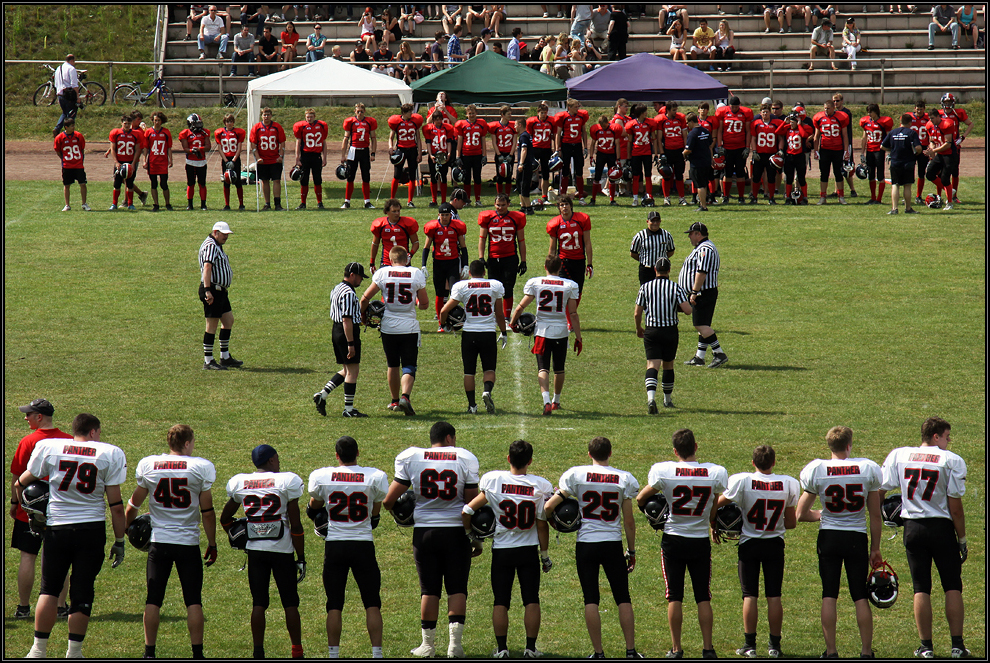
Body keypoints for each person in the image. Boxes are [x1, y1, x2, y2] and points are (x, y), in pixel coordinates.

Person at [18, 413, 127, 659]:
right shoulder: (109, 453)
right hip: (91, 530)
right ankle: (74, 652)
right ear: (93, 432)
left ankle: (38, 650)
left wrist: (26, 507)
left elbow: (23, 482)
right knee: (82, 590)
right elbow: (116, 506)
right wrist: (120, 541)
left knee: (49, 590)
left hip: (58, 528)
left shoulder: (51, 447)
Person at [382, 421, 480, 658]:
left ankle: (427, 646)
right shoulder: (465, 458)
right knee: (457, 587)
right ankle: (454, 647)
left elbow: (387, 501)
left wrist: (402, 511)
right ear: (449, 438)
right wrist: (475, 537)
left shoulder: (411, 457)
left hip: (424, 532)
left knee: (429, 590)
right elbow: (470, 502)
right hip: (456, 531)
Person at [544, 436, 644, 659]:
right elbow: (628, 521)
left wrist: (553, 521)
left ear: (589, 454)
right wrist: (632, 550)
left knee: (591, 599)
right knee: (623, 597)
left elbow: (549, 506)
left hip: (586, 544)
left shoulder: (576, 475)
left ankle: (598, 653)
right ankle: (630, 651)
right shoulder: (624, 478)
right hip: (612, 543)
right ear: (610, 453)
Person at [878, 417, 970, 659]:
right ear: (935, 436)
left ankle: (926, 647)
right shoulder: (951, 461)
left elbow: (881, 488)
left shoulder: (899, 455)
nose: (949, 442)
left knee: (921, 588)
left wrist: (877, 515)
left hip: (913, 528)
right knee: (952, 586)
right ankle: (957, 646)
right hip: (941, 529)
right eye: (947, 437)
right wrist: (962, 538)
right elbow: (956, 508)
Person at [125, 424, 218, 660]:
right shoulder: (200, 467)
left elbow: (134, 505)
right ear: (187, 443)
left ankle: (149, 653)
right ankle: (197, 654)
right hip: (187, 543)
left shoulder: (150, 465)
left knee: (153, 599)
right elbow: (207, 512)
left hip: (159, 542)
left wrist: (124, 530)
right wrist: (213, 542)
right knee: (193, 601)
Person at [636, 429, 727, 656]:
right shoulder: (715, 472)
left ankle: (676, 649)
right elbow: (716, 500)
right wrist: (712, 520)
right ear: (696, 447)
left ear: (675, 451)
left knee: (675, 596)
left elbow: (640, 498)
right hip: (699, 540)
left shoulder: (663, 470)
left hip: (673, 540)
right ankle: (708, 649)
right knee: (703, 596)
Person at [795, 426, 883, 659]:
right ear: (849, 445)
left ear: (829, 446)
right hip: (856, 537)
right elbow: (875, 515)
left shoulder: (817, 469)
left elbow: (800, 514)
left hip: (829, 537)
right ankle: (865, 652)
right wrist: (875, 548)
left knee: (829, 594)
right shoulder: (867, 468)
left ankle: (832, 652)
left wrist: (824, 515)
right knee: (860, 595)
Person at [461, 439, 553, 657]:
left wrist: (471, 536)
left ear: (508, 458)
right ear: (530, 461)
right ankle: (530, 649)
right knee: (531, 599)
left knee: (501, 601)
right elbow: (542, 525)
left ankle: (502, 649)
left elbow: (466, 510)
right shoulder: (541, 486)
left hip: (502, 549)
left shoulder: (493, 480)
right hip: (528, 549)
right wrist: (545, 556)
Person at [220, 445, 306, 660]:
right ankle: (297, 651)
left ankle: (258, 652)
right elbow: (295, 526)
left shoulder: (241, 483)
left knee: (258, 603)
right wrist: (301, 557)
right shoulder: (287, 482)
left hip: (256, 551)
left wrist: (239, 536)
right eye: (276, 458)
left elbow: (226, 519)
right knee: (290, 603)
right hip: (282, 551)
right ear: (271, 461)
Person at [307, 435, 388, 658]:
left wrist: (316, 511)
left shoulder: (322, 476)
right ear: (358, 453)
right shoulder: (375, 476)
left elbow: (313, 506)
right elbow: (375, 513)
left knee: (334, 604)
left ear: (336, 455)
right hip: (363, 545)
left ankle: (333, 654)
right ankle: (377, 653)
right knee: (372, 602)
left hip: (335, 545)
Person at [718, 445, 800, 659]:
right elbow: (791, 523)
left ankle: (749, 645)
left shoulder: (742, 480)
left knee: (750, 595)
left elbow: (717, 504)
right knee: (774, 596)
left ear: (753, 462)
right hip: (774, 544)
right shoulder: (788, 483)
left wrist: (715, 523)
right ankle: (774, 646)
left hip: (749, 543)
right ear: (774, 462)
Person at [9, 399, 71, 621]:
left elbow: (17, 474)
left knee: (28, 557)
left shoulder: (28, 441)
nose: (25, 418)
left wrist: (14, 503)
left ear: (39, 417)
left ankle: (24, 608)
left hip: (30, 508)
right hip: (62, 508)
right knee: (61, 558)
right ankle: (61, 606)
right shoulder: (69, 440)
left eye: (29, 414)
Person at [509, 256, 582, 415]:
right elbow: (573, 313)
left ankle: (546, 401)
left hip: (541, 331)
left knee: (543, 368)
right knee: (559, 369)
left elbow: (521, 306)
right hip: (561, 330)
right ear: (560, 267)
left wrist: (512, 322)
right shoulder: (569, 285)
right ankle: (556, 400)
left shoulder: (536, 282)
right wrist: (578, 336)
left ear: (545, 267)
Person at [361, 245, 428, 414]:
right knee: (409, 365)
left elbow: (364, 299)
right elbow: (425, 304)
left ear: (390, 260)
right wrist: (417, 302)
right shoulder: (415, 273)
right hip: (409, 326)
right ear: (407, 259)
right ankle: (405, 396)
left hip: (388, 327)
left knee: (392, 365)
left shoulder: (383, 273)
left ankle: (395, 401)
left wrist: (363, 316)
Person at [440, 259, 508, 413]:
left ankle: (472, 406)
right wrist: (503, 332)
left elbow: (444, 311)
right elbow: (499, 313)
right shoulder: (495, 285)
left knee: (469, 372)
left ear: (469, 273)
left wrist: (445, 325)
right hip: (488, 332)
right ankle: (487, 391)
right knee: (489, 369)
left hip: (469, 333)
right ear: (484, 272)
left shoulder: (461, 286)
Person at [633, 256, 693, 411]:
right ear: (669, 270)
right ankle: (667, 400)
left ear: (655, 270)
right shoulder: (675, 288)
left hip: (652, 330)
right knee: (668, 365)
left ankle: (651, 399)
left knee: (652, 365)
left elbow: (637, 313)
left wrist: (639, 328)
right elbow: (687, 311)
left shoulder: (645, 287)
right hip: (670, 331)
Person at [313, 262, 370, 417]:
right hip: (346, 332)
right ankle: (349, 410)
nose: (361, 281)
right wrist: (351, 343)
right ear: (352, 275)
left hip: (336, 330)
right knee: (353, 371)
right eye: (359, 277)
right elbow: (347, 319)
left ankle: (322, 395)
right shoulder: (349, 293)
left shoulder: (337, 288)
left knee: (346, 370)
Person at [678, 222, 728, 368]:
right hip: (702, 291)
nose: (689, 237)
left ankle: (719, 353)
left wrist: (694, 292)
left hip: (703, 292)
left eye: (691, 234)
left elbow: (702, 272)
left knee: (700, 325)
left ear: (698, 234)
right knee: (703, 325)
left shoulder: (705, 249)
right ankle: (700, 357)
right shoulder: (702, 247)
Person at [198, 221, 242, 370]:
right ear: (215, 232)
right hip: (213, 290)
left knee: (228, 320)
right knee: (211, 325)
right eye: (224, 234)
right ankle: (208, 360)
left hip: (220, 290)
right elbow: (207, 266)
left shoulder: (216, 245)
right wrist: (208, 290)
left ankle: (225, 356)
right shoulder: (210, 245)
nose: (226, 237)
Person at [478, 192, 528, 321]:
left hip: (510, 257)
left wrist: (523, 261)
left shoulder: (515, 218)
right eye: (498, 205)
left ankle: (506, 317)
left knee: (508, 288)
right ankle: (494, 314)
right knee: (493, 288)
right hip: (493, 258)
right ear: (494, 204)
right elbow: (482, 239)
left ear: (509, 204)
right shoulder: (488, 218)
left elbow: (521, 241)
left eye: (503, 205)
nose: (500, 208)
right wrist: (481, 257)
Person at [546, 195, 593, 331]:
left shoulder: (582, 219)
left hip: (579, 260)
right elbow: (552, 247)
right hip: (563, 262)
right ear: (558, 208)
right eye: (561, 205)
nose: (564, 207)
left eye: (566, 204)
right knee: (565, 290)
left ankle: (568, 316)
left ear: (571, 205)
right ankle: (568, 320)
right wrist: (550, 264)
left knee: (577, 292)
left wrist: (590, 263)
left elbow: (587, 242)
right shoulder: (554, 223)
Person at [423, 202, 469, 326]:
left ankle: (455, 318)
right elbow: (426, 247)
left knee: (455, 291)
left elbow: (463, 248)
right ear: (438, 215)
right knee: (440, 293)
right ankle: (441, 322)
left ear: (450, 215)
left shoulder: (457, 226)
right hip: (438, 263)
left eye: (447, 214)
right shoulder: (433, 227)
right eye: (442, 215)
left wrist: (465, 265)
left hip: (453, 263)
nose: (444, 217)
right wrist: (423, 265)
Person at [881, 113, 924, 215]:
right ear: (910, 123)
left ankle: (894, 208)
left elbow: (882, 146)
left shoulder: (892, 132)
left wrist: (892, 150)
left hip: (895, 162)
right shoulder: (912, 133)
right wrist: (916, 153)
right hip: (908, 162)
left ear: (900, 122)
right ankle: (908, 208)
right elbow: (918, 148)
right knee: (907, 185)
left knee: (895, 185)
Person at [812, 99, 850, 205]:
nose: (826, 110)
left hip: (837, 149)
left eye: (828, 108)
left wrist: (846, 150)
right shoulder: (819, 117)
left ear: (833, 108)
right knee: (824, 174)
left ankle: (841, 196)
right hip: (824, 149)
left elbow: (845, 135)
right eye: (824, 108)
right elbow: (816, 136)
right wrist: (815, 150)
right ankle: (822, 197)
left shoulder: (841, 117)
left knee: (838, 173)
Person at [716, 96, 753, 204]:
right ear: (729, 106)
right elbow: (719, 130)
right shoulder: (723, 113)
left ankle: (741, 197)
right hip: (727, 147)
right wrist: (720, 145)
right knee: (727, 173)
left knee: (740, 172)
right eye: (733, 106)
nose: (735, 108)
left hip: (740, 147)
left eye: (736, 106)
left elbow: (748, 131)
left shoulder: (745, 113)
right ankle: (726, 196)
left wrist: (747, 147)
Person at [340, 103, 378, 209]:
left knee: (366, 177)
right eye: (358, 111)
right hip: (353, 150)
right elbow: (346, 138)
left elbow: (373, 138)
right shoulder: (350, 122)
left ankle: (367, 202)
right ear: (354, 111)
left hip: (365, 151)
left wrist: (373, 152)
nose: (360, 113)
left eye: (361, 111)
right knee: (350, 176)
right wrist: (343, 155)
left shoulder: (369, 122)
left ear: (364, 111)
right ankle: (347, 201)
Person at [387, 104, 424, 207]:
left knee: (412, 176)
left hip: (412, 150)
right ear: (403, 113)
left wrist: (419, 153)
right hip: (400, 149)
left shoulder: (414, 122)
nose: (411, 114)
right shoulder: (397, 123)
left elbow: (418, 138)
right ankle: (392, 199)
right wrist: (390, 148)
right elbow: (391, 137)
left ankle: (410, 201)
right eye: (409, 112)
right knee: (397, 175)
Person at [250, 106, 287, 210]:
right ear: (262, 116)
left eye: (268, 115)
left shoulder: (277, 127)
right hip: (263, 160)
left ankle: (277, 204)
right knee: (264, 181)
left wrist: (281, 156)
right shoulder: (256, 128)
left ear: (271, 116)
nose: (266, 117)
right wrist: (257, 158)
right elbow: (253, 144)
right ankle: (267, 204)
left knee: (276, 180)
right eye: (264, 115)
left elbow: (282, 142)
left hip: (275, 159)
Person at [369, 198, 421, 271]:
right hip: (386, 262)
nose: (397, 213)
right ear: (387, 212)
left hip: (403, 262)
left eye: (398, 211)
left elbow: (416, 242)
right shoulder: (381, 225)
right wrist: (372, 262)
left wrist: (410, 255)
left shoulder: (407, 224)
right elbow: (375, 244)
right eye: (394, 211)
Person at [292, 107, 329, 210]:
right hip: (305, 156)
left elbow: (324, 143)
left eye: (311, 117)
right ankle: (303, 203)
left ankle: (320, 202)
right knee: (304, 180)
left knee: (318, 180)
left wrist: (325, 157)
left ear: (314, 117)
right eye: (307, 117)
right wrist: (297, 158)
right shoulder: (301, 126)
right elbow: (298, 142)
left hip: (316, 156)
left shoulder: (321, 125)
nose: (309, 119)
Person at [554, 99, 590, 202]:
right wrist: (557, 149)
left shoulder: (581, 116)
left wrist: (585, 147)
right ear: (569, 107)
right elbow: (558, 133)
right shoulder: (563, 117)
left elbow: (584, 131)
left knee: (579, 171)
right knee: (565, 171)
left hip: (577, 145)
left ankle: (581, 196)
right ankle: (563, 196)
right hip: (566, 145)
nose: (577, 109)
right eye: (575, 107)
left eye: (578, 107)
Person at [622, 103, 658, 207]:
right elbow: (629, 141)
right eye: (645, 111)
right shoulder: (632, 124)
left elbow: (654, 139)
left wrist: (655, 154)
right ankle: (635, 198)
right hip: (636, 153)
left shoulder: (650, 123)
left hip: (647, 152)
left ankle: (649, 196)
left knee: (648, 175)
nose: (647, 113)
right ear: (641, 113)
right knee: (636, 176)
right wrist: (629, 157)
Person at [858, 104, 893, 205]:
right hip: (870, 150)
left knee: (880, 175)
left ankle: (879, 199)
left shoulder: (883, 122)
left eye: (871, 112)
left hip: (879, 150)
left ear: (876, 112)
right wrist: (862, 152)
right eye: (868, 112)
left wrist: (889, 151)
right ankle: (873, 197)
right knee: (871, 175)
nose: (869, 114)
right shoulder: (865, 122)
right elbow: (864, 138)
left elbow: (889, 137)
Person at [455, 104, 489, 206]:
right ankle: (467, 200)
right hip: (466, 154)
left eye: (473, 113)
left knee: (477, 177)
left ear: (476, 113)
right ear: (466, 114)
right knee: (467, 178)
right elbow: (460, 141)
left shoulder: (481, 123)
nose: (471, 115)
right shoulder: (462, 124)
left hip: (477, 154)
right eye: (469, 113)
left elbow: (483, 140)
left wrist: (484, 155)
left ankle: (478, 200)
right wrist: (458, 156)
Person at [108, 114, 145, 211]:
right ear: (121, 123)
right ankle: (114, 204)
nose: (127, 125)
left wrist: (133, 163)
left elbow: (138, 150)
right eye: (125, 123)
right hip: (120, 162)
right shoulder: (116, 133)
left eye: (129, 123)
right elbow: (113, 148)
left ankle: (130, 204)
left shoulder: (136, 134)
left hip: (130, 162)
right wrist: (116, 162)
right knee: (117, 184)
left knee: (130, 183)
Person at [749, 104, 783, 205]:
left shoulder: (777, 123)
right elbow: (753, 138)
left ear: (770, 113)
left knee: (771, 177)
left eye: (767, 112)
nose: (765, 113)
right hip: (759, 154)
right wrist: (754, 151)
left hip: (771, 154)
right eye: (763, 112)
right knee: (756, 176)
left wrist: (780, 149)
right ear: (760, 113)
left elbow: (780, 138)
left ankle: (771, 198)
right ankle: (754, 198)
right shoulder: (755, 123)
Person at [53, 118, 90, 212]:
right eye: (72, 126)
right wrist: (64, 159)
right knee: (67, 185)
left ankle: (84, 203)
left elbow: (82, 149)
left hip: (78, 165)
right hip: (67, 165)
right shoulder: (60, 137)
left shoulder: (78, 136)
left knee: (83, 183)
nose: (74, 127)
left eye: (74, 125)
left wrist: (81, 160)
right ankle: (67, 205)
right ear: (66, 127)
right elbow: (58, 151)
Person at [630, 210, 675, 285]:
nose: (655, 223)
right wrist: (644, 259)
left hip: (661, 270)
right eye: (652, 221)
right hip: (646, 270)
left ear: (660, 221)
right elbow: (633, 253)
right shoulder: (640, 236)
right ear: (647, 221)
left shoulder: (666, 235)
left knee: (662, 291)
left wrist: (662, 259)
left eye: (657, 221)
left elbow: (671, 251)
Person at [422, 111, 456, 206]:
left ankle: (443, 200)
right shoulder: (429, 129)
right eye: (436, 119)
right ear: (433, 120)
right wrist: (430, 155)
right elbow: (428, 143)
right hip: (433, 155)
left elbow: (449, 142)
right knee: (433, 177)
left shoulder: (447, 128)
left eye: (440, 119)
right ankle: (434, 200)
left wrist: (449, 153)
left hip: (443, 155)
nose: (438, 121)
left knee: (443, 177)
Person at [779, 111, 812, 205]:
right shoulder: (788, 128)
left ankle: (805, 197)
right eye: (791, 122)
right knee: (789, 178)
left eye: (793, 122)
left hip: (799, 156)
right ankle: (788, 197)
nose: (791, 124)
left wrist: (799, 124)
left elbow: (804, 135)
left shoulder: (803, 128)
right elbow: (777, 131)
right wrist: (784, 122)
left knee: (801, 178)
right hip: (789, 156)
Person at [214, 113, 245, 211]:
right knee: (226, 182)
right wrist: (226, 161)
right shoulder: (220, 133)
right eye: (228, 121)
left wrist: (233, 161)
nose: (229, 123)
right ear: (225, 122)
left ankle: (241, 204)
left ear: (233, 122)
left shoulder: (238, 132)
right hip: (225, 159)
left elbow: (239, 148)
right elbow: (219, 148)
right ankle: (227, 205)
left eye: (231, 121)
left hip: (235, 159)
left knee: (238, 182)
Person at [525, 104, 556, 206]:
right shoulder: (531, 121)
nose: (543, 115)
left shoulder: (551, 121)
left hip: (546, 149)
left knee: (546, 173)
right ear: (538, 112)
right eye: (541, 113)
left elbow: (554, 136)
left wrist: (555, 149)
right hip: (535, 148)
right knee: (529, 171)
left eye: (545, 113)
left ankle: (544, 196)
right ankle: (526, 194)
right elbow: (528, 136)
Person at [683, 112, 713, 212]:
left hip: (697, 163)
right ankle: (704, 202)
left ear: (692, 122)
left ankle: (703, 206)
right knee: (704, 183)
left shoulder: (692, 134)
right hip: (706, 161)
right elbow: (710, 145)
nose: (687, 125)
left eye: (687, 123)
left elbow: (689, 150)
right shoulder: (706, 131)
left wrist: (683, 154)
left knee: (699, 185)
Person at [488, 105, 517, 197]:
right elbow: (494, 142)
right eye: (508, 114)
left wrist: (511, 154)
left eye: (510, 114)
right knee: (499, 176)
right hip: (499, 153)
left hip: (509, 153)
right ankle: (499, 196)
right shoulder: (495, 126)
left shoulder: (513, 125)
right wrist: (498, 154)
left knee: (509, 176)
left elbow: (514, 141)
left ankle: (507, 196)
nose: (510, 116)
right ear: (502, 114)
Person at [53, 54, 79, 137]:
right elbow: (74, 84)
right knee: (71, 114)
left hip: (60, 94)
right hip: (69, 95)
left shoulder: (58, 68)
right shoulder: (71, 69)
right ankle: (68, 132)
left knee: (65, 113)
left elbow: (56, 83)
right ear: (71, 60)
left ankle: (57, 128)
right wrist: (77, 96)